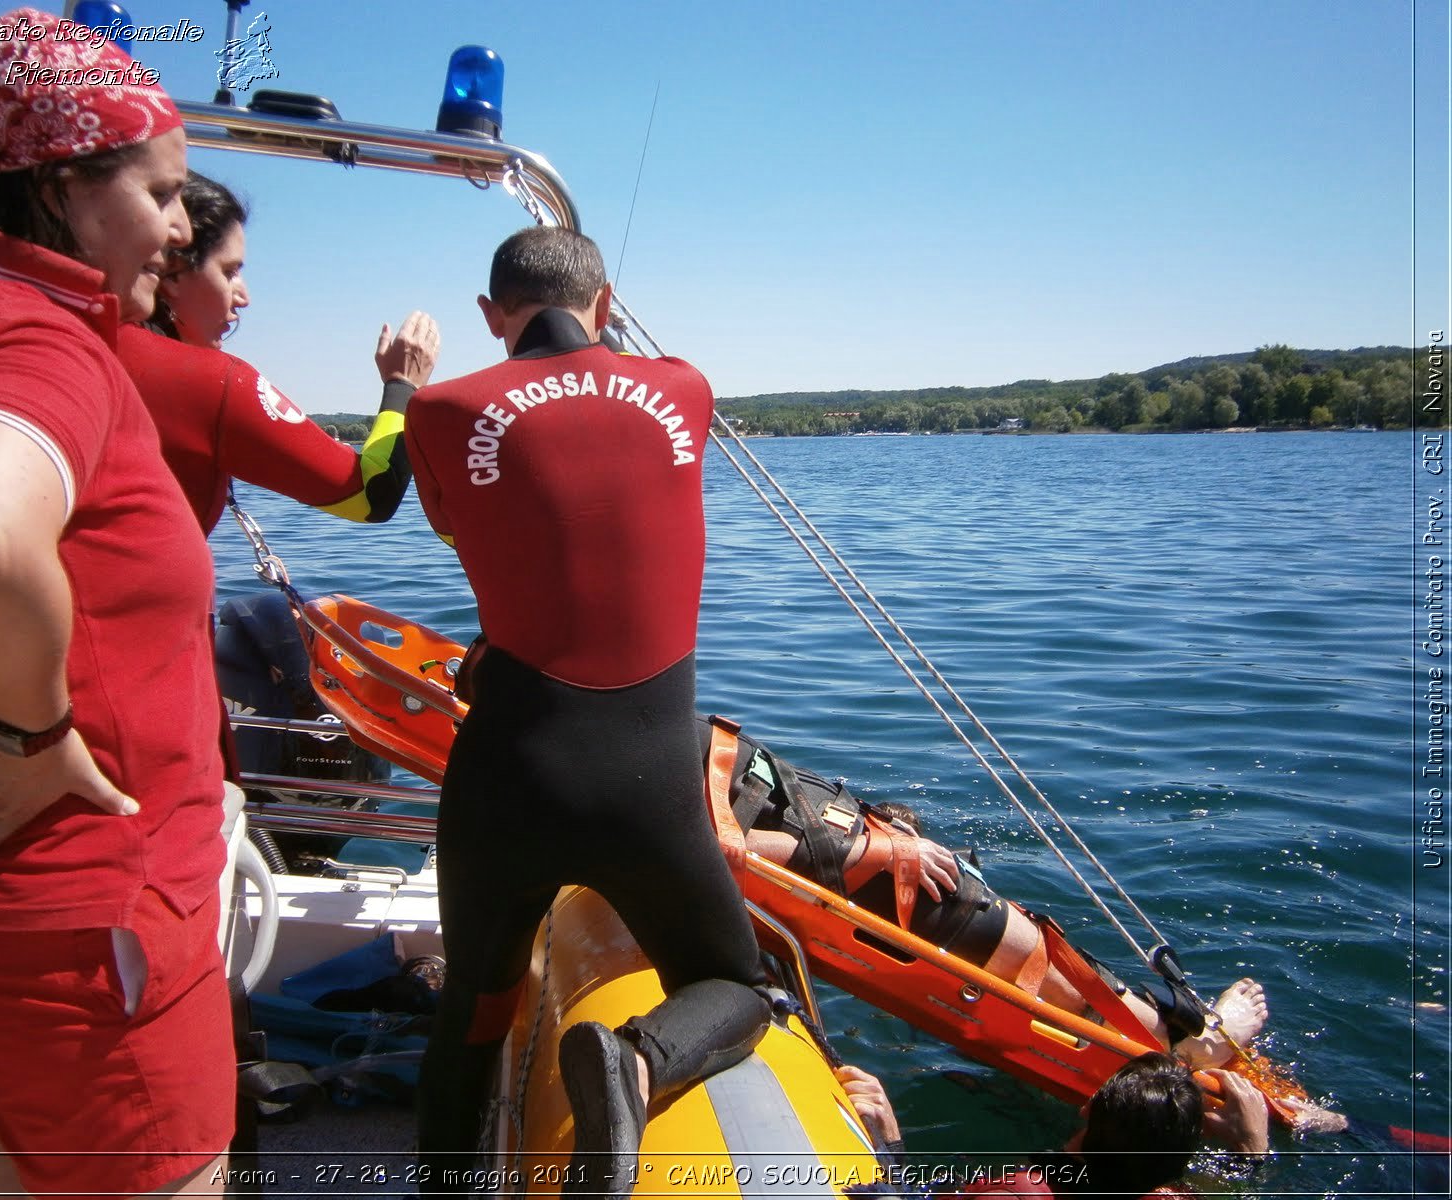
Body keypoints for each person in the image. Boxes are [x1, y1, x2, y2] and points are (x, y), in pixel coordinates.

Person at [0, 11, 234, 1198]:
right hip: (85, 938)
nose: (180, 228)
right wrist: (34, 730)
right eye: (163, 194)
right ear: (67, 184)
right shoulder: (34, 341)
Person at [404, 226, 771, 1197]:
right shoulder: (687, 387)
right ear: (606, 301)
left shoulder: (440, 408)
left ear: (492, 318)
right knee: (736, 988)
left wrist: (401, 392)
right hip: (650, 789)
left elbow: (456, 524)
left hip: (507, 777)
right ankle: (636, 1061)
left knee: (472, 1025)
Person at [702, 719, 1269, 1067]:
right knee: (1039, 960)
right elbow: (723, 852)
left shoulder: (651, 740)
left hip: (863, 856)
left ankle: (1170, 1035)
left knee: (1029, 943)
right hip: (882, 888)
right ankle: (1186, 1049)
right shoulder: (646, 756)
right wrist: (885, 853)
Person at [116, 170, 440, 537]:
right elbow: (372, 495)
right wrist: (402, 386)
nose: (244, 296)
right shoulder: (212, 381)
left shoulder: (87, 344)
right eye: (229, 272)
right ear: (170, 273)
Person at [944, 1052, 1270, 1198]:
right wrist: (1252, 1153)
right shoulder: (1172, 1195)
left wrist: (893, 1149)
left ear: (1087, 1107)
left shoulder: (1016, 1195)